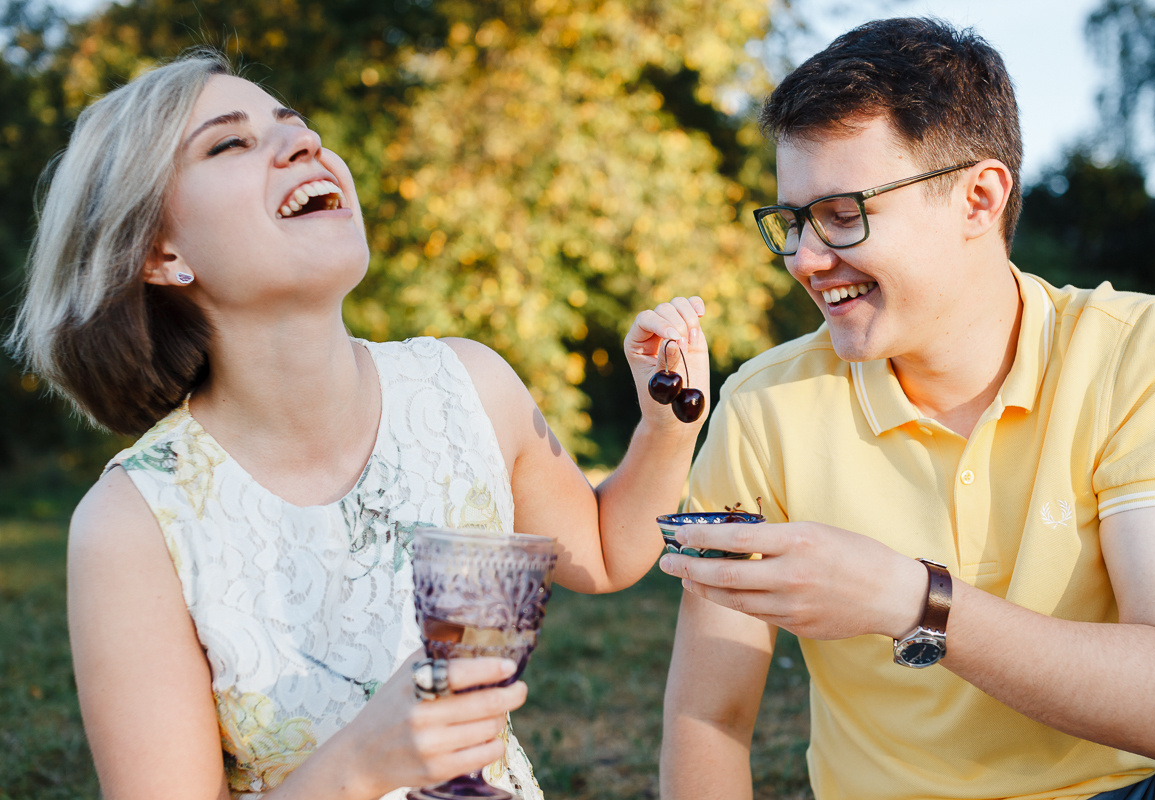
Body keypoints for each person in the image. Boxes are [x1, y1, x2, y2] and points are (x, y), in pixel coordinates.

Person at [5, 49, 710, 799]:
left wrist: (665, 427)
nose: (304, 142)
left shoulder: (466, 384)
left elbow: (603, 553)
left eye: (295, 123)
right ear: (158, 251)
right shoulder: (134, 522)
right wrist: (361, 766)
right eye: (231, 142)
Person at [657, 16, 1155, 800]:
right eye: (793, 221)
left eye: (843, 213)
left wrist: (911, 600)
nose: (804, 259)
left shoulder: (1142, 355)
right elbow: (708, 715)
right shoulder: (763, 408)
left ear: (979, 198)